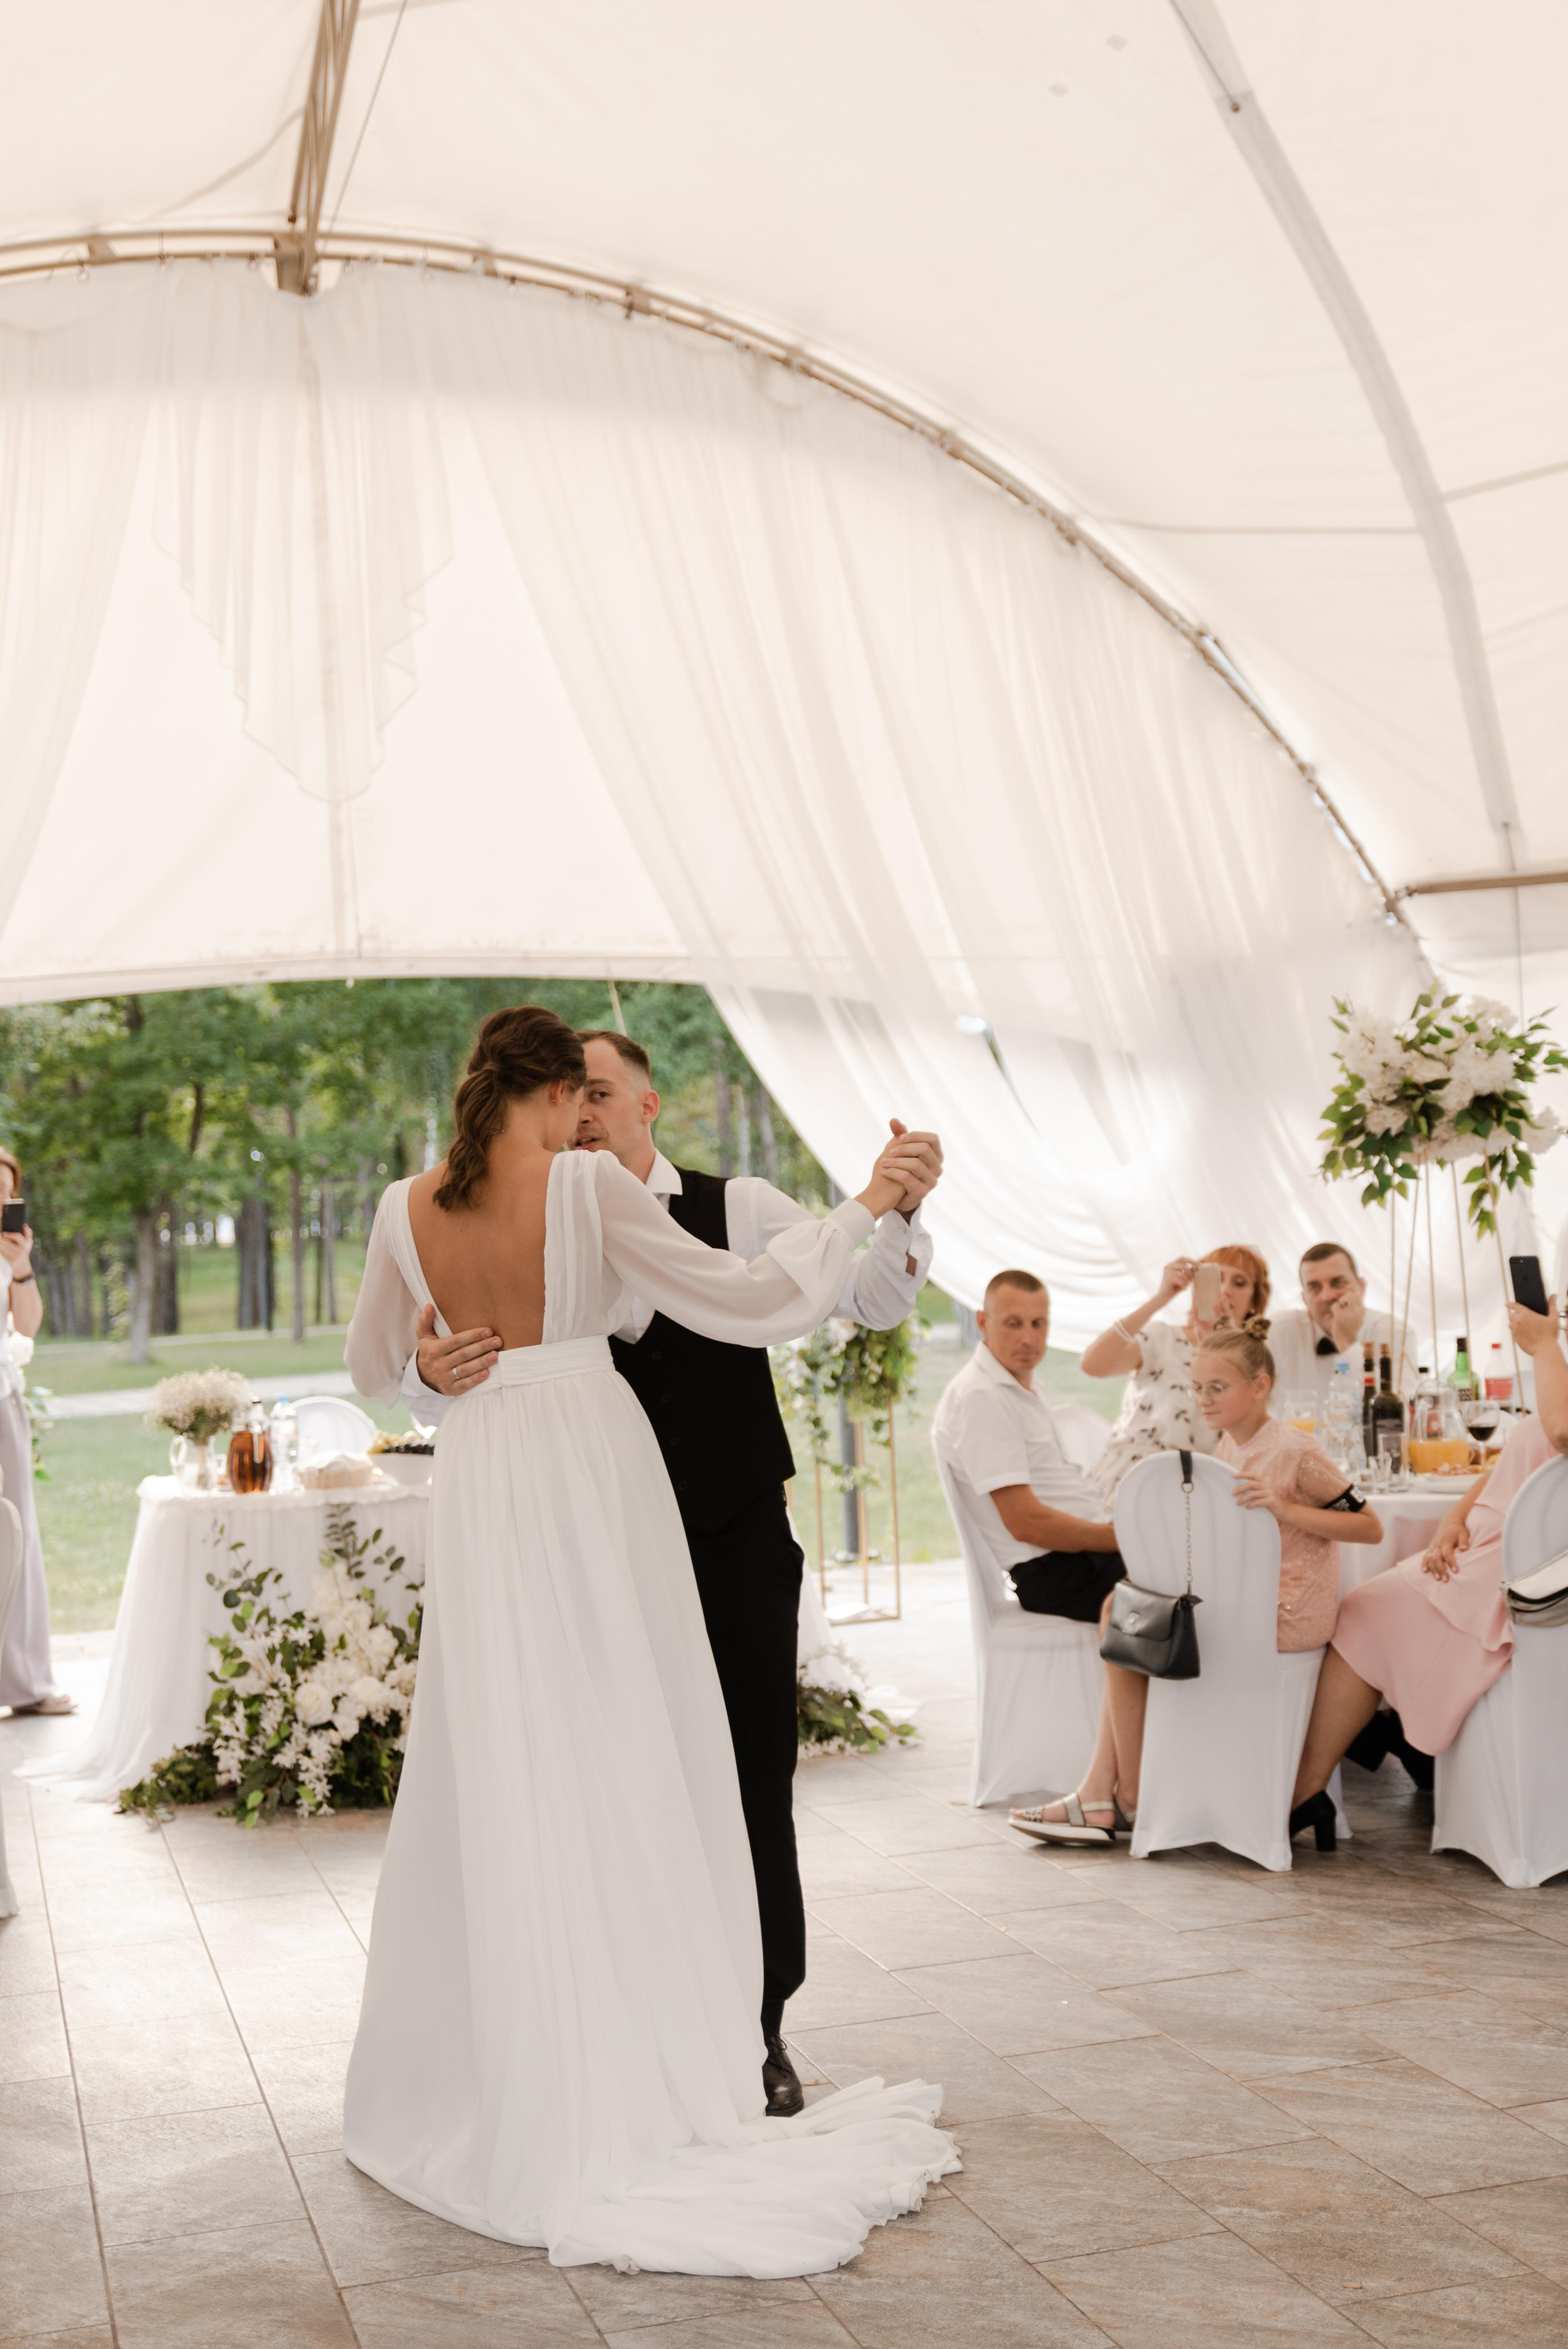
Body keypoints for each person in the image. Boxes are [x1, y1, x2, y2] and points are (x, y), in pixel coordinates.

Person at [342, 1007, 955, 2273]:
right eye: (583, 1097)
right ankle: (653, 2057)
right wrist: (855, 1206)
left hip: (491, 1478)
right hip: (584, 1473)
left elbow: (368, 1367)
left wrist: (434, 1357)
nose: (591, 1119)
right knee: (635, 1746)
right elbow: (743, 1300)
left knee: (512, 1750)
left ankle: (528, 2062)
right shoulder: (583, 1186)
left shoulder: (404, 1203)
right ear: (561, 1092)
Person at [1289, 1294, 1568, 1851]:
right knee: (1370, 1605)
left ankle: (1308, 1787)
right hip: (1484, 1546)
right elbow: (1513, 1463)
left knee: (1365, 1609)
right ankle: (1351, 1759)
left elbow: (1561, 1434)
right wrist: (1453, 1521)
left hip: (1523, 1572)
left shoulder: (1552, 1364)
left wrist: (1543, 1346)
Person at [932, 1270, 1142, 1845]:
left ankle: (1133, 1782)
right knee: (1176, 1595)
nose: (1029, 1337)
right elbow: (1025, 1521)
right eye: (1013, 1323)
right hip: (1051, 1571)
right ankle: (1128, 1788)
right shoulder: (982, 1399)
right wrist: (1125, 1539)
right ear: (982, 1323)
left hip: (1072, 1557)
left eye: (1039, 1323)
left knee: (1190, 1589)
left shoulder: (1016, 1384)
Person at [1193, 1323, 1384, 1655]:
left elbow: (1370, 1528)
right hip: (1249, 1597)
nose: (1203, 1400)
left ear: (1260, 1386)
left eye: (1217, 1388)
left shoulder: (1295, 1451)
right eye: (1196, 1388)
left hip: (1290, 1613)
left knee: (1171, 1632)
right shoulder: (1228, 1444)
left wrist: (1286, 1511)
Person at [1079, 1245, 1270, 1495]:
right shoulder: (1163, 1338)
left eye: (1240, 1283)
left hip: (1205, 1486)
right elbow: (1093, 1365)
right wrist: (1161, 1298)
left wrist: (1231, 1341)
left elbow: (1254, 1436)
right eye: (1217, 1278)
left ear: (1255, 1301)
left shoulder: (1256, 1359)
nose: (1225, 1291)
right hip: (1137, 1478)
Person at [0, 1147, 72, 1717]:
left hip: (3, 1402)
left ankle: (25, 1682)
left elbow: (27, 1325)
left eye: (7, 1192)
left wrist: (20, 1268)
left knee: (16, 1537)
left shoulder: (10, 1251)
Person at [1268, 1242, 1404, 1408]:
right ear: (1305, 1299)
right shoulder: (1278, 1331)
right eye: (1314, 1288)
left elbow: (1399, 1416)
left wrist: (1347, 1343)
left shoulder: (1393, 1332)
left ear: (1361, 1287)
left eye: (1338, 1283)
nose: (1327, 1296)